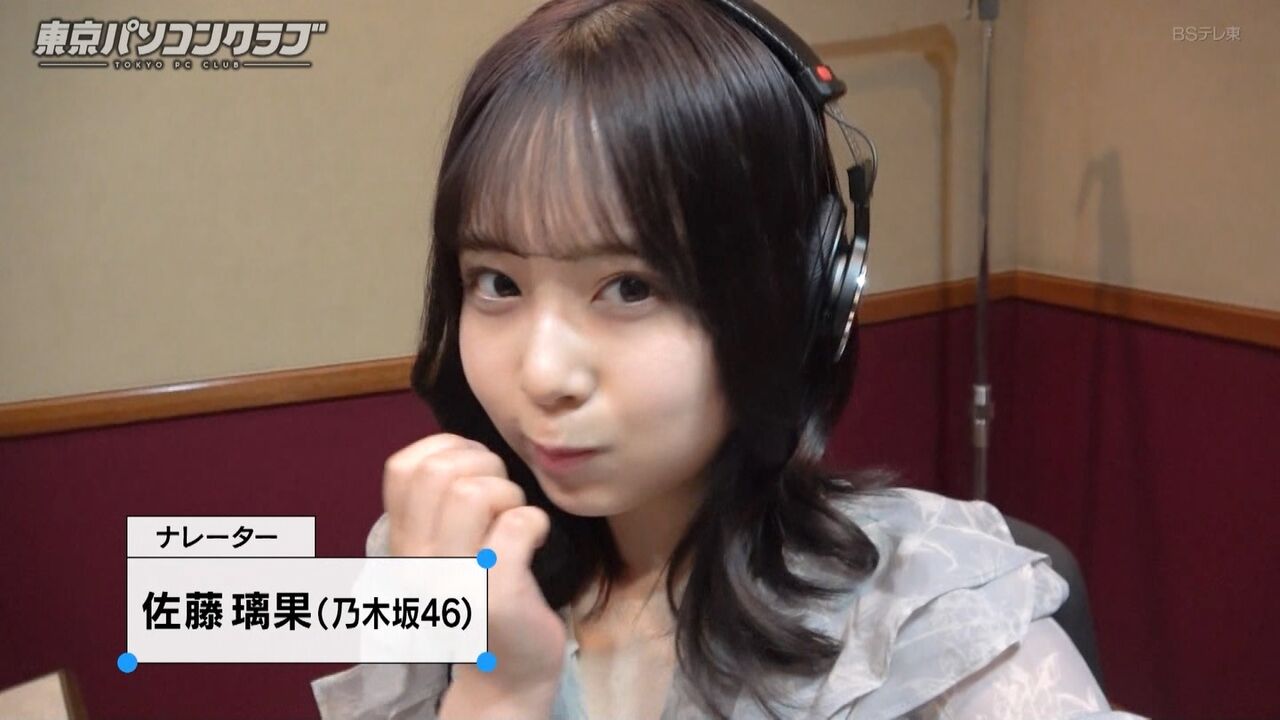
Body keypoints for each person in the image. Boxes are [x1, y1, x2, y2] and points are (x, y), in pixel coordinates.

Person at [312, 0, 1147, 717]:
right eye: (497, 282)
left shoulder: (939, 624)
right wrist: (497, 693)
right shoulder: (446, 555)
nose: (542, 375)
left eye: (630, 287)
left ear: (797, 299)